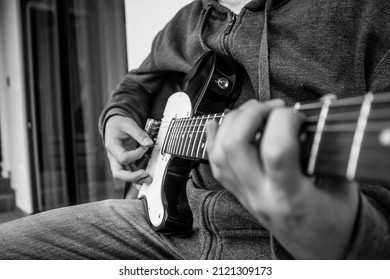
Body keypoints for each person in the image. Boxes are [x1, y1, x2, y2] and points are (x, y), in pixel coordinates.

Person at [1, 0, 390, 259]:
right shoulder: (188, 19)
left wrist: (337, 232)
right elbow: (139, 82)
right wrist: (115, 117)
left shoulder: (370, 13)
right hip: (159, 221)